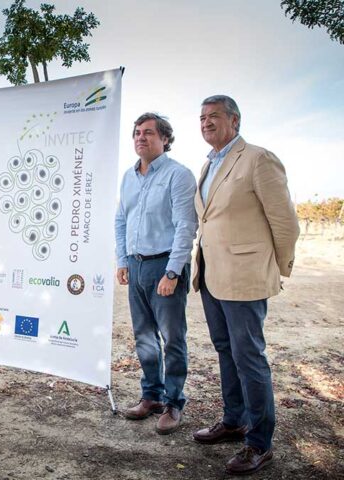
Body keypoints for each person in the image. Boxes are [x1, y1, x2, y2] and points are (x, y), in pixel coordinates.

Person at [192, 95, 300, 475]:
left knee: (249, 357)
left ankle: (259, 442)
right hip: (210, 278)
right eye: (202, 117)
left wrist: (276, 268)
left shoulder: (258, 158)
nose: (206, 122)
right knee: (225, 351)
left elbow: (285, 221)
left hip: (244, 278)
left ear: (234, 121)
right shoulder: (208, 164)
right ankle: (234, 420)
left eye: (214, 116)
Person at [115, 113, 197, 434]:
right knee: (144, 336)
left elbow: (185, 227)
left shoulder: (179, 175)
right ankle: (151, 396)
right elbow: (121, 220)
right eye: (137, 132)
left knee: (173, 338)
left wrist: (173, 271)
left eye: (148, 133)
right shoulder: (128, 176)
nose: (140, 137)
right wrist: (122, 260)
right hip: (135, 265)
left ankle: (174, 402)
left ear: (165, 139)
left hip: (165, 266)